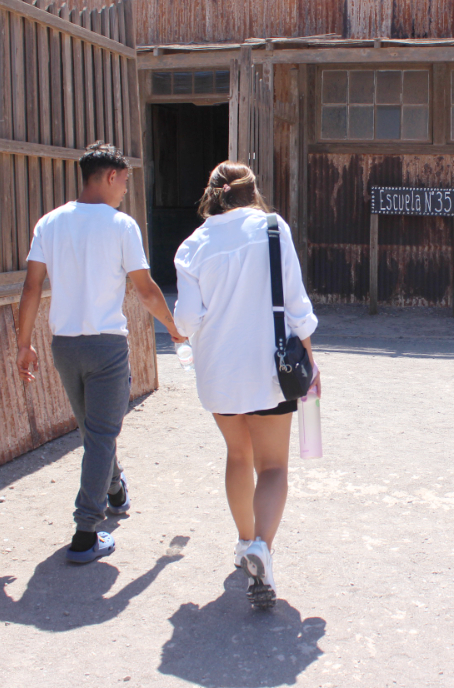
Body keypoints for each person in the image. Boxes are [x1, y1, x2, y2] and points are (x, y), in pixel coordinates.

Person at [16, 141, 188, 564]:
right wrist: (173, 328)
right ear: (110, 176)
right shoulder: (121, 226)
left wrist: (23, 343)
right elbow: (146, 290)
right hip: (106, 348)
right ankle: (86, 533)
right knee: (100, 436)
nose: (125, 190)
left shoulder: (49, 223)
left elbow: (32, 286)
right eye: (125, 181)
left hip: (64, 347)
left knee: (94, 433)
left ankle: (114, 488)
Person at [173, 161, 319, 609]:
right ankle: (262, 548)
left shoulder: (192, 246)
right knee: (272, 466)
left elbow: (185, 321)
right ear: (253, 192)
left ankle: (243, 543)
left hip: (218, 372)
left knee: (238, 455)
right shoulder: (273, 229)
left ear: (213, 193)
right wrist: (311, 360)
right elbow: (296, 304)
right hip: (271, 369)